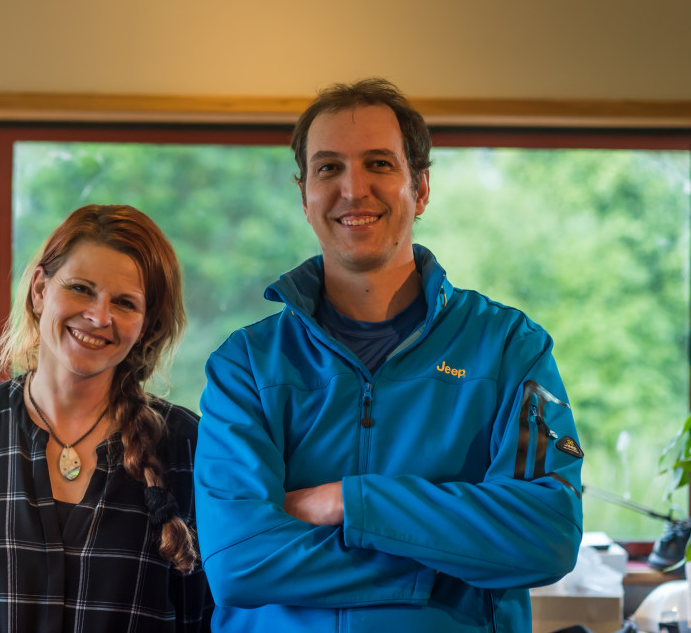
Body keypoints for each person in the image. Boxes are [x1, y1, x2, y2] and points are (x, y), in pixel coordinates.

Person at [193, 78, 583, 632]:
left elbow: (547, 536)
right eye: (329, 168)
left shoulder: (508, 348)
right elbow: (240, 562)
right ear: (304, 195)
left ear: (420, 189)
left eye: (379, 164)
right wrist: (447, 574)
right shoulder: (246, 367)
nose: (354, 189)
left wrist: (352, 502)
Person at [0, 204, 212, 632]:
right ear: (40, 289)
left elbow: (205, 621)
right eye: (80, 288)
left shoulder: (186, 446)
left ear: (146, 324)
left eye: (125, 302)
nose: (99, 316)